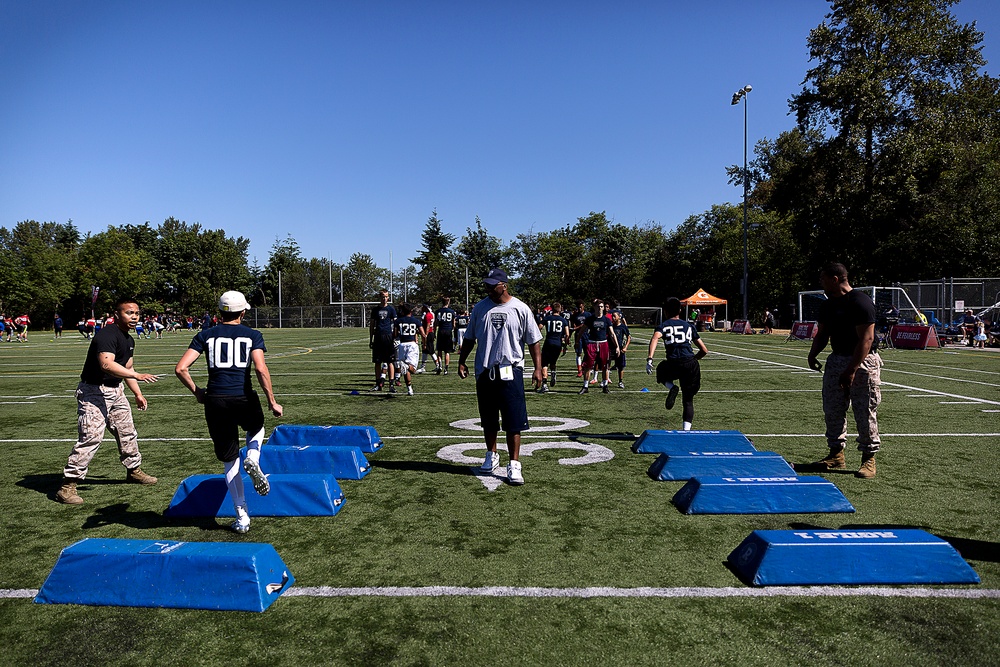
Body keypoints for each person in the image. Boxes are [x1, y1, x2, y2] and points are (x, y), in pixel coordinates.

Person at [175, 290, 283, 534]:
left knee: (229, 459)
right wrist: (272, 400)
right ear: (243, 312)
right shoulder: (252, 335)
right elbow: (260, 368)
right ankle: (254, 459)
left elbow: (181, 368)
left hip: (215, 400)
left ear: (220, 312)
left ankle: (241, 515)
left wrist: (197, 392)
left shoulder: (205, 335)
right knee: (256, 427)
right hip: (243, 396)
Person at [56, 297, 160, 505]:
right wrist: (138, 375)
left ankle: (134, 470)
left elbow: (127, 368)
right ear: (117, 314)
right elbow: (106, 365)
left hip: (116, 391)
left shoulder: (129, 340)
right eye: (129, 313)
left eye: (136, 313)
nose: (134, 317)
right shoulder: (106, 335)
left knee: (127, 431)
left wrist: (138, 394)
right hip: (94, 391)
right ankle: (68, 486)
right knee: (91, 437)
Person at [457, 268, 543, 485]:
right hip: (486, 370)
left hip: (511, 370)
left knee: (514, 420)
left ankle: (514, 463)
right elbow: (469, 338)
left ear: (504, 285)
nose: (488, 288)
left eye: (492, 284)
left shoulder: (520, 308)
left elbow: (533, 341)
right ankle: (491, 454)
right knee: (488, 418)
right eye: (486, 284)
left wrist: (538, 368)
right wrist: (462, 360)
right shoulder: (480, 308)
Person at [799, 262, 883, 479]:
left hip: (863, 362)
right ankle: (836, 454)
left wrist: (852, 369)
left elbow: (867, 339)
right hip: (836, 359)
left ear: (835, 279)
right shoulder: (828, 305)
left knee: (864, 411)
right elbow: (823, 333)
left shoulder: (860, 301)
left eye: (823, 278)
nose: (820, 282)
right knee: (833, 409)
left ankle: (868, 458)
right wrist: (812, 353)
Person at [646, 297, 708, 430]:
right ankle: (686, 431)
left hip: (674, 363)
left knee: (661, 369)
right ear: (680, 310)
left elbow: (655, 338)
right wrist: (694, 360)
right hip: (690, 363)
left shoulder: (663, 325)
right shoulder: (689, 326)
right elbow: (704, 350)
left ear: (665, 311)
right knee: (688, 400)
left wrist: (650, 358)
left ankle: (671, 387)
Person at [576, 299, 620, 394]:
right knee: (588, 366)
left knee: (605, 366)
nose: (600, 308)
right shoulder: (590, 319)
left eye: (601, 306)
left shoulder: (607, 320)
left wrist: (617, 346)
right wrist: (577, 341)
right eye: (598, 306)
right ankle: (585, 386)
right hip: (592, 343)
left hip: (603, 344)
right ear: (594, 307)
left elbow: (612, 334)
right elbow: (582, 331)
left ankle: (605, 386)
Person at [538, 301, 570, 393]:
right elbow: (567, 335)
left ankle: (544, 384)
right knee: (553, 361)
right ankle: (553, 373)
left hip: (548, 342)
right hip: (558, 343)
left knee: (544, 364)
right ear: (560, 309)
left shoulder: (547, 318)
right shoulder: (563, 320)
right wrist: (565, 345)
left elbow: (538, 327)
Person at [394, 303, 426, 395]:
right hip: (412, 344)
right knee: (412, 369)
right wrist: (424, 344)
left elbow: (395, 335)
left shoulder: (398, 321)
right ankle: (407, 367)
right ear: (411, 311)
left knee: (405, 370)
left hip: (402, 344)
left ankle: (409, 389)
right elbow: (423, 334)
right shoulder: (416, 321)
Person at [368, 289, 397, 391]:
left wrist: (395, 337)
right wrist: (371, 339)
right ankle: (378, 384)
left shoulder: (391, 309)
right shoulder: (375, 310)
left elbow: (396, 324)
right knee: (377, 361)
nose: (385, 298)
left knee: (390, 361)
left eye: (386, 296)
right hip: (378, 337)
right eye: (383, 296)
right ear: (380, 297)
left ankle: (391, 384)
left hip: (388, 337)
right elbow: (372, 325)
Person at [434, 297, 457, 374]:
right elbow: (453, 324)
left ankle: (440, 366)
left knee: (439, 350)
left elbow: (436, 323)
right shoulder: (452, 312)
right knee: (447, 351)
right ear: (448, 302)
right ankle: (446, 369)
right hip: (448, 331)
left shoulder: (438, 311)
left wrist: (434, 333)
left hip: (441, 331)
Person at [611, 310, 631, 389]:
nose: (613, 318)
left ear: (619, 317)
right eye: (612, 316)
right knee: (607, 364)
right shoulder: (611, 326)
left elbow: (629, 337)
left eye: (614, 316)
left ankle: (620, 381)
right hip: (611, 348)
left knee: (621, 366)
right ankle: (605, 381)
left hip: (620, 348)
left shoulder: (623, 327)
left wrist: (625, 347)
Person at [569, 301, 589, 377]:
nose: (580, 309)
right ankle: (579, 370)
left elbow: (585, 325)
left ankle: (584, 367)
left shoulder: (587, 315)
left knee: (588, 353)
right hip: (578, 336)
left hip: (586, 335)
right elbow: (572, 326)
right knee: (578, 353)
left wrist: (576, 327)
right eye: (578, 307)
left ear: (583, 306)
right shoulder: (574, 315)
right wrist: (569, 337)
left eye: (581, 307)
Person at [417, 305, 437, 373]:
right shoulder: (430, 314)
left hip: (428, 333)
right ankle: (423, 367)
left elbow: (428, 326)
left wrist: (425, 334)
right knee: (425, 350)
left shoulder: (428, 315)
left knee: (431, 351)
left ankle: (438, 365)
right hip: (430, 333)